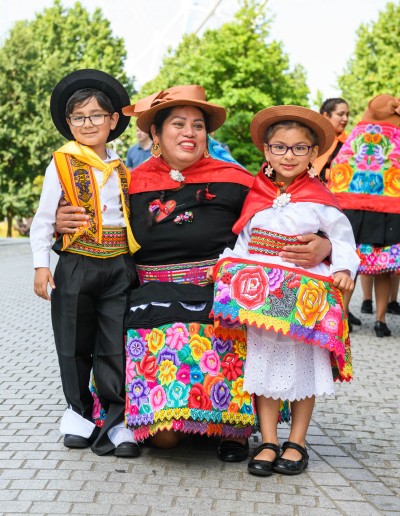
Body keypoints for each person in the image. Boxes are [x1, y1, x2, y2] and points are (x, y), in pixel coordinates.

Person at [55, 85, 332, 461]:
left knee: (230, 352)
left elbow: (292, 214)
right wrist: (61, 222)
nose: (190, 133)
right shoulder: (126, 182)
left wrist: (325, 244)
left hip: (218, 299)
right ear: (155, 133)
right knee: (165, 437)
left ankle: (234, 424)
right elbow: (93, 225)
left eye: (198, 125)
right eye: (179, 124)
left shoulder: (236, 180)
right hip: (152, 303)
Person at [210, 105, 359, 476]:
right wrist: (228, 267)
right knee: (262, 367)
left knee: (304, 367)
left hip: (302, 302)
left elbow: (343, 239)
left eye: (298, 148)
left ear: (312, 154)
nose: (288, 156)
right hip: (260, 301)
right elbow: (243, 242)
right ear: (266, 151)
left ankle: (298, 440)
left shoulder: (319, 198)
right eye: (279, 147)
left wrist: (342, 268)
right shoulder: (255, 195)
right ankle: (268, 439)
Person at [30, 69, 141, 458]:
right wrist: (41, 264)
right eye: (79, 117)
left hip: (118, 265)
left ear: (113, 121)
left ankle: (116, 421)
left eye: (97, 116)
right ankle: (78, 414)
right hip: (76, 263)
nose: (88, 123)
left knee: (114, 344)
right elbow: (45, 218)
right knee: (73, 342)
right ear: (68, 123)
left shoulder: (124, 169)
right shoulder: (60, 163)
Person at [329, 93, 400, 337]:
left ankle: (343, 316)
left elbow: (340, 167)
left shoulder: (357, 135)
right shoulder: (396, 137)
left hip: (352, 210)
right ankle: (380, 322)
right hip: (388, 211)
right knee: (383, 269)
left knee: (350, 266)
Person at [313, 98, 361, 330]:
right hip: (317, 206)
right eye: (339, 114)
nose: (344, 118)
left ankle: (343, 310)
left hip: (344, 208)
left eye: (347, 114)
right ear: (325, 115)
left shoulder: (349, 144)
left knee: (346, 258)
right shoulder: (315, 143)